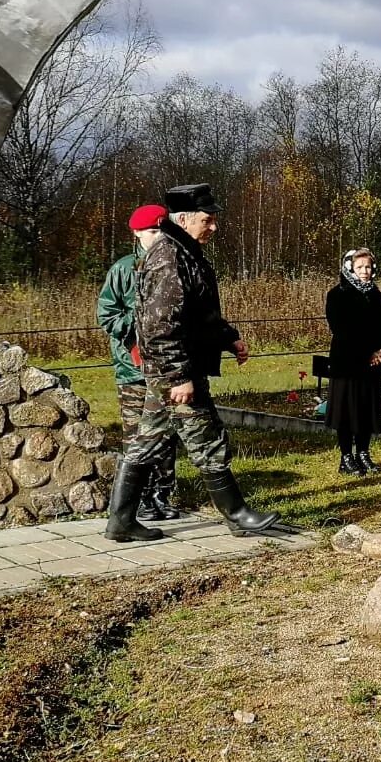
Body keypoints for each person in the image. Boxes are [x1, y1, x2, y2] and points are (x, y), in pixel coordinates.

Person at [104, 182, 280, 542]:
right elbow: (156, 326)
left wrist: (229, 337)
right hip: (176, 372)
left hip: (171, 371)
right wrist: (178, 375)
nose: (213, 227)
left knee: (146, 441)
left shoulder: (185, 251)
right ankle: (237, 515)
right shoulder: (169, 256)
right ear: (183, 219)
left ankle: (120, 521)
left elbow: (200, 314)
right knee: (207, 439)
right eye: (207, 220)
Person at [95, 204, 181, 522]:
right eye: (152, 232)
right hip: (133, 369)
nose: (158, 238)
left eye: (162, 231)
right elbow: (107, 313)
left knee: (167, 432)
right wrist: (137, 330)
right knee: (137, 436)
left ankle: (163, 493)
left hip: (167, 367)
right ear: (137, 234)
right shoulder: (122, 270)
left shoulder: (174, 266)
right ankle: (137, 499)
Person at [325, 247, 381, 476]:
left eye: (368, 267)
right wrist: (368, 352)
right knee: (347, 412)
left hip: (372, 366)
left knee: (366, 411)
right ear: (350, 268)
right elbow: (342, 329)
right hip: (347, 364)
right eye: (359, 267)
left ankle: (363, 453)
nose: (364, 271)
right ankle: (346, 457)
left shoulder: (376, 295)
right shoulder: (337, 294)